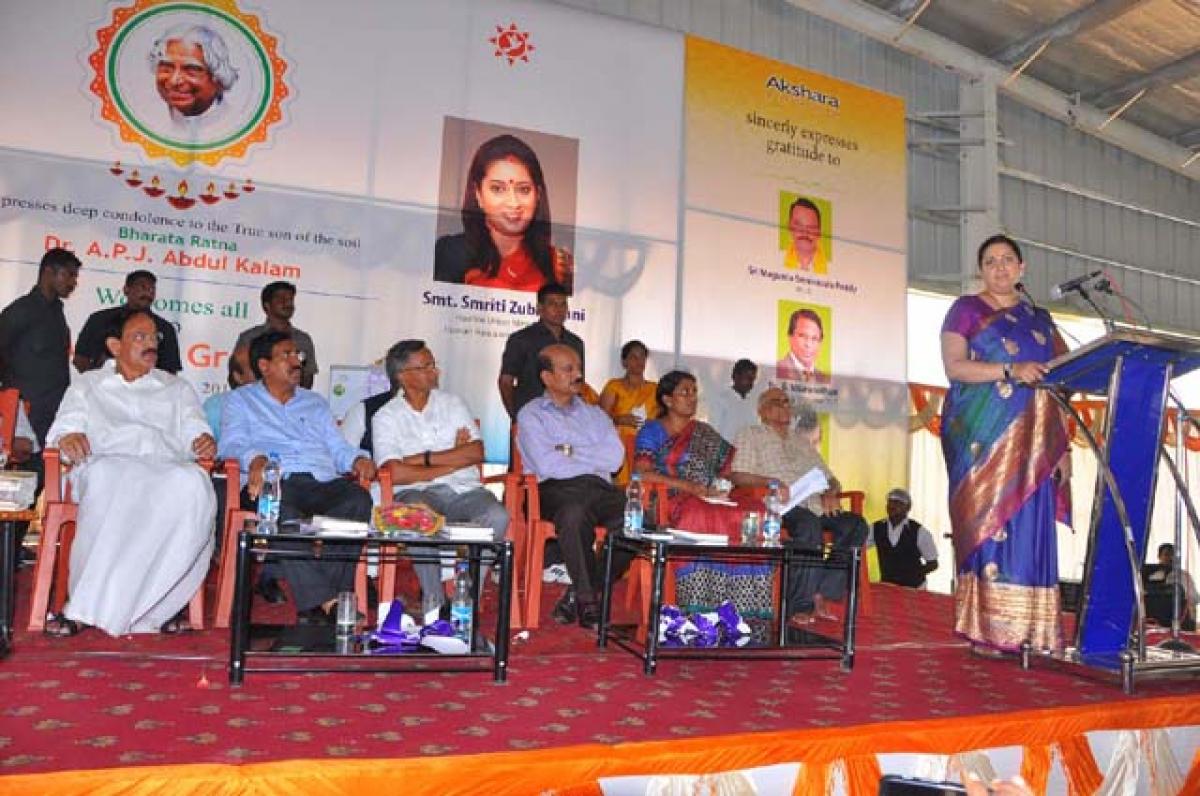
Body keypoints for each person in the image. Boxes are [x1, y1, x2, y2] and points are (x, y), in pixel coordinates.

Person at [44, 308, 216, 637]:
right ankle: (83, 608)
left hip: (164, 469)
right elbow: (61, 432)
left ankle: (157, 607)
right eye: (140, 337)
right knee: (110, 477)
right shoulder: (88, 385)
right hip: (107, 464)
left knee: (194, 483)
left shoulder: (176, 388)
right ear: (115, 346)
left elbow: (196, 431)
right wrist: (68, 438)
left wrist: (203, 441)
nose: (151, 343)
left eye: (154, 337)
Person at [940, 233, 1070, 656]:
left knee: (1030, 529)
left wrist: (1063, 446)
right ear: (981, 270)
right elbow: (955, 367)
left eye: (1007, 259)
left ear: (1021, 268)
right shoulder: (966, 309)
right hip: (980, 435)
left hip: (1035, 441)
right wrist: (1011, 369)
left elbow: (1061, 381)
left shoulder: (1041, 320)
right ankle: (989, 630)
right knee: (989, 526)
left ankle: (1033, 629)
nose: (999, 267)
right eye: (990, 261)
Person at [219, 331, 376, 623]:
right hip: (272, 481)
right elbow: (231, 444)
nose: (297, 362)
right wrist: (255, 458)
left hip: (319, 481)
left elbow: (337, 447)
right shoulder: (240, 401)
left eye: (299, 355)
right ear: (264, 365)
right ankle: (329, 603)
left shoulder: (315, 402)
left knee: (357, 500)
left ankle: (324, 602)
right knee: (282, 512)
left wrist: (357, 459)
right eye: (287, 355)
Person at [372, 340, 509, 617]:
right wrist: (451, 459)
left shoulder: (452, 403)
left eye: (433, 365)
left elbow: (476, 452)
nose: (435, 371)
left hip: (464, 491)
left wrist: (419, 460)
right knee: (417, 513)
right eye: (426, 367)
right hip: (417, 492)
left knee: (497, 516)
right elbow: (394, 472)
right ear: (403, 376)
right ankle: (434, 603)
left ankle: (465, 599)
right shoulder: (385, 417)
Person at [635, 371, 769, 618]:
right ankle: (696, 606)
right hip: (667, 499)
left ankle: (743, 611)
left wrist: (767, 481)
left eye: (694, 392)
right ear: (667, 399)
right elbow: (642, 473)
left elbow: (731, 471)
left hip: (706, 496)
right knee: (698, 511)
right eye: (685, 392)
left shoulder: (704, 432)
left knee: (754, 510)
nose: (692, 397)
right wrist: (690, 487)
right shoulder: (653, 430)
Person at [730, 390, 867, 624]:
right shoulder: (751, 434)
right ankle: (799, 604)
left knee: (855, 524)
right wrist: (771, 482)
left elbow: (831, 479)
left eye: (787, 402)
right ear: (762, 411)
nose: (785, 406)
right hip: (777, 505)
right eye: (777, 402)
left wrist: (831, 493)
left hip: (814, 503)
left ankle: (821, 592)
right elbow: (738, 475)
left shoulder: (801, 441)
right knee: (808, 525)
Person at [516, 344, 628, 629]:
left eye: (578, 368)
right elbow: (547, 464)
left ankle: (577, 592)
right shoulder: (531, 414)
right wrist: (590, 457)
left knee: (637, 520)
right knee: (574, 513)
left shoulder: (596, 415)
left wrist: (568, 450)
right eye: (568, 369)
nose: (578, 374)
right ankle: (588, 602)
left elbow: (614, 459)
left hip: (597, 488)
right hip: (552, 490)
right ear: (547, 377)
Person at [434, 134, 573, 293]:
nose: (513, 203)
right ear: (478, 194)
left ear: (538, 195)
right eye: (498, 189)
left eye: (524, 189)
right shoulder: (451, 254)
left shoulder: (557, 265)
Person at [0, 247, 81, 446]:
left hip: (53, 413)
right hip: (24, 418)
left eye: (75, 277)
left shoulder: (57, 312)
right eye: (69, 275)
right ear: (48, 272)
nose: (73, 283)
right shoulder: (20, 311)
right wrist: (13, 412)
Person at [499, 283, 585, 419]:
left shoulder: (575, 342)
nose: (559, 309)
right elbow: (505, 382)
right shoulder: (521, 339)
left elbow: (579, 383)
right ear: (539, 308)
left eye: (563, 304)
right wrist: (516, 417)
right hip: (531, 417)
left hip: (568, 418)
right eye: (552, 304)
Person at [74, 270, 182, 374]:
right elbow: (80, 358)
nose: (148, 293)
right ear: (126, 290)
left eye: (152, 289)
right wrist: (97, 380)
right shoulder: (100, 320)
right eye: (143, 287)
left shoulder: (165, 328)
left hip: (147, 386)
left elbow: (170, 372)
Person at [149, 23, 238, 127]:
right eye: (166, 69)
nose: (174, 81)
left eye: (191, 71)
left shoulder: (235, 121)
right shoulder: (152, 120)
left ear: (218, 78)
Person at [235, 281, 318, 389]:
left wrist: (297, 398)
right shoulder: (249, 338)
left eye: (290, 299)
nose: (287, 303)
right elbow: (239, 374)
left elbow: (308, 377)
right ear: (267, 305)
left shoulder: (302, 339)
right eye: (281, 299)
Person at [599, 339, 656, 485]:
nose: (639, 361)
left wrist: (652, 423)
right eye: (633, 357)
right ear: (624, 362)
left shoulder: (654, 388)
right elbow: (599, 418)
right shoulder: (614, 386)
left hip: (647, 446)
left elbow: (664, 418)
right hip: (619, 445)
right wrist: (619, 419)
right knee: (622, 488)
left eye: (642, 357)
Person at [870, 487, 939, 589]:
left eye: (897, 503)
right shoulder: (876, 528)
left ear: (907, 508)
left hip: (915, 588)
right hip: (888, 587)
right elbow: (859, 546)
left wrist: (911, 574)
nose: (892, 506)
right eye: (890, 502)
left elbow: (933, 563)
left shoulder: (919, 531)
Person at [1144, 542, 1197, 629]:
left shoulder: (1184, 575)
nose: (1170, 558)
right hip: (1155, 620)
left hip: (1180, 619)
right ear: (1159, 556)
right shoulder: (1150, 575)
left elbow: (1194, 597)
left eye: (1173, 555)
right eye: (1167, 554)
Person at [705, 359, 760, 442]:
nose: (750, 383)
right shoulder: (721, 400)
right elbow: (713, 432)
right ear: (735, 376)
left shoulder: (752, 403)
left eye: (752, 379)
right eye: (747, 378)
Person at [776, 308, 830, 383]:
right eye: (803, 336)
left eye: (814, 338)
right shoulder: (775, 370)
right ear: (790, 337)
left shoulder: (824, 379)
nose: (808, 344)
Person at [783, 197, 827, 274]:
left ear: (819, 233)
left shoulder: (832, 267)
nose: (805, 233)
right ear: (790, 227)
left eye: (811, 227)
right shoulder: (776, 259)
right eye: (799, 226)